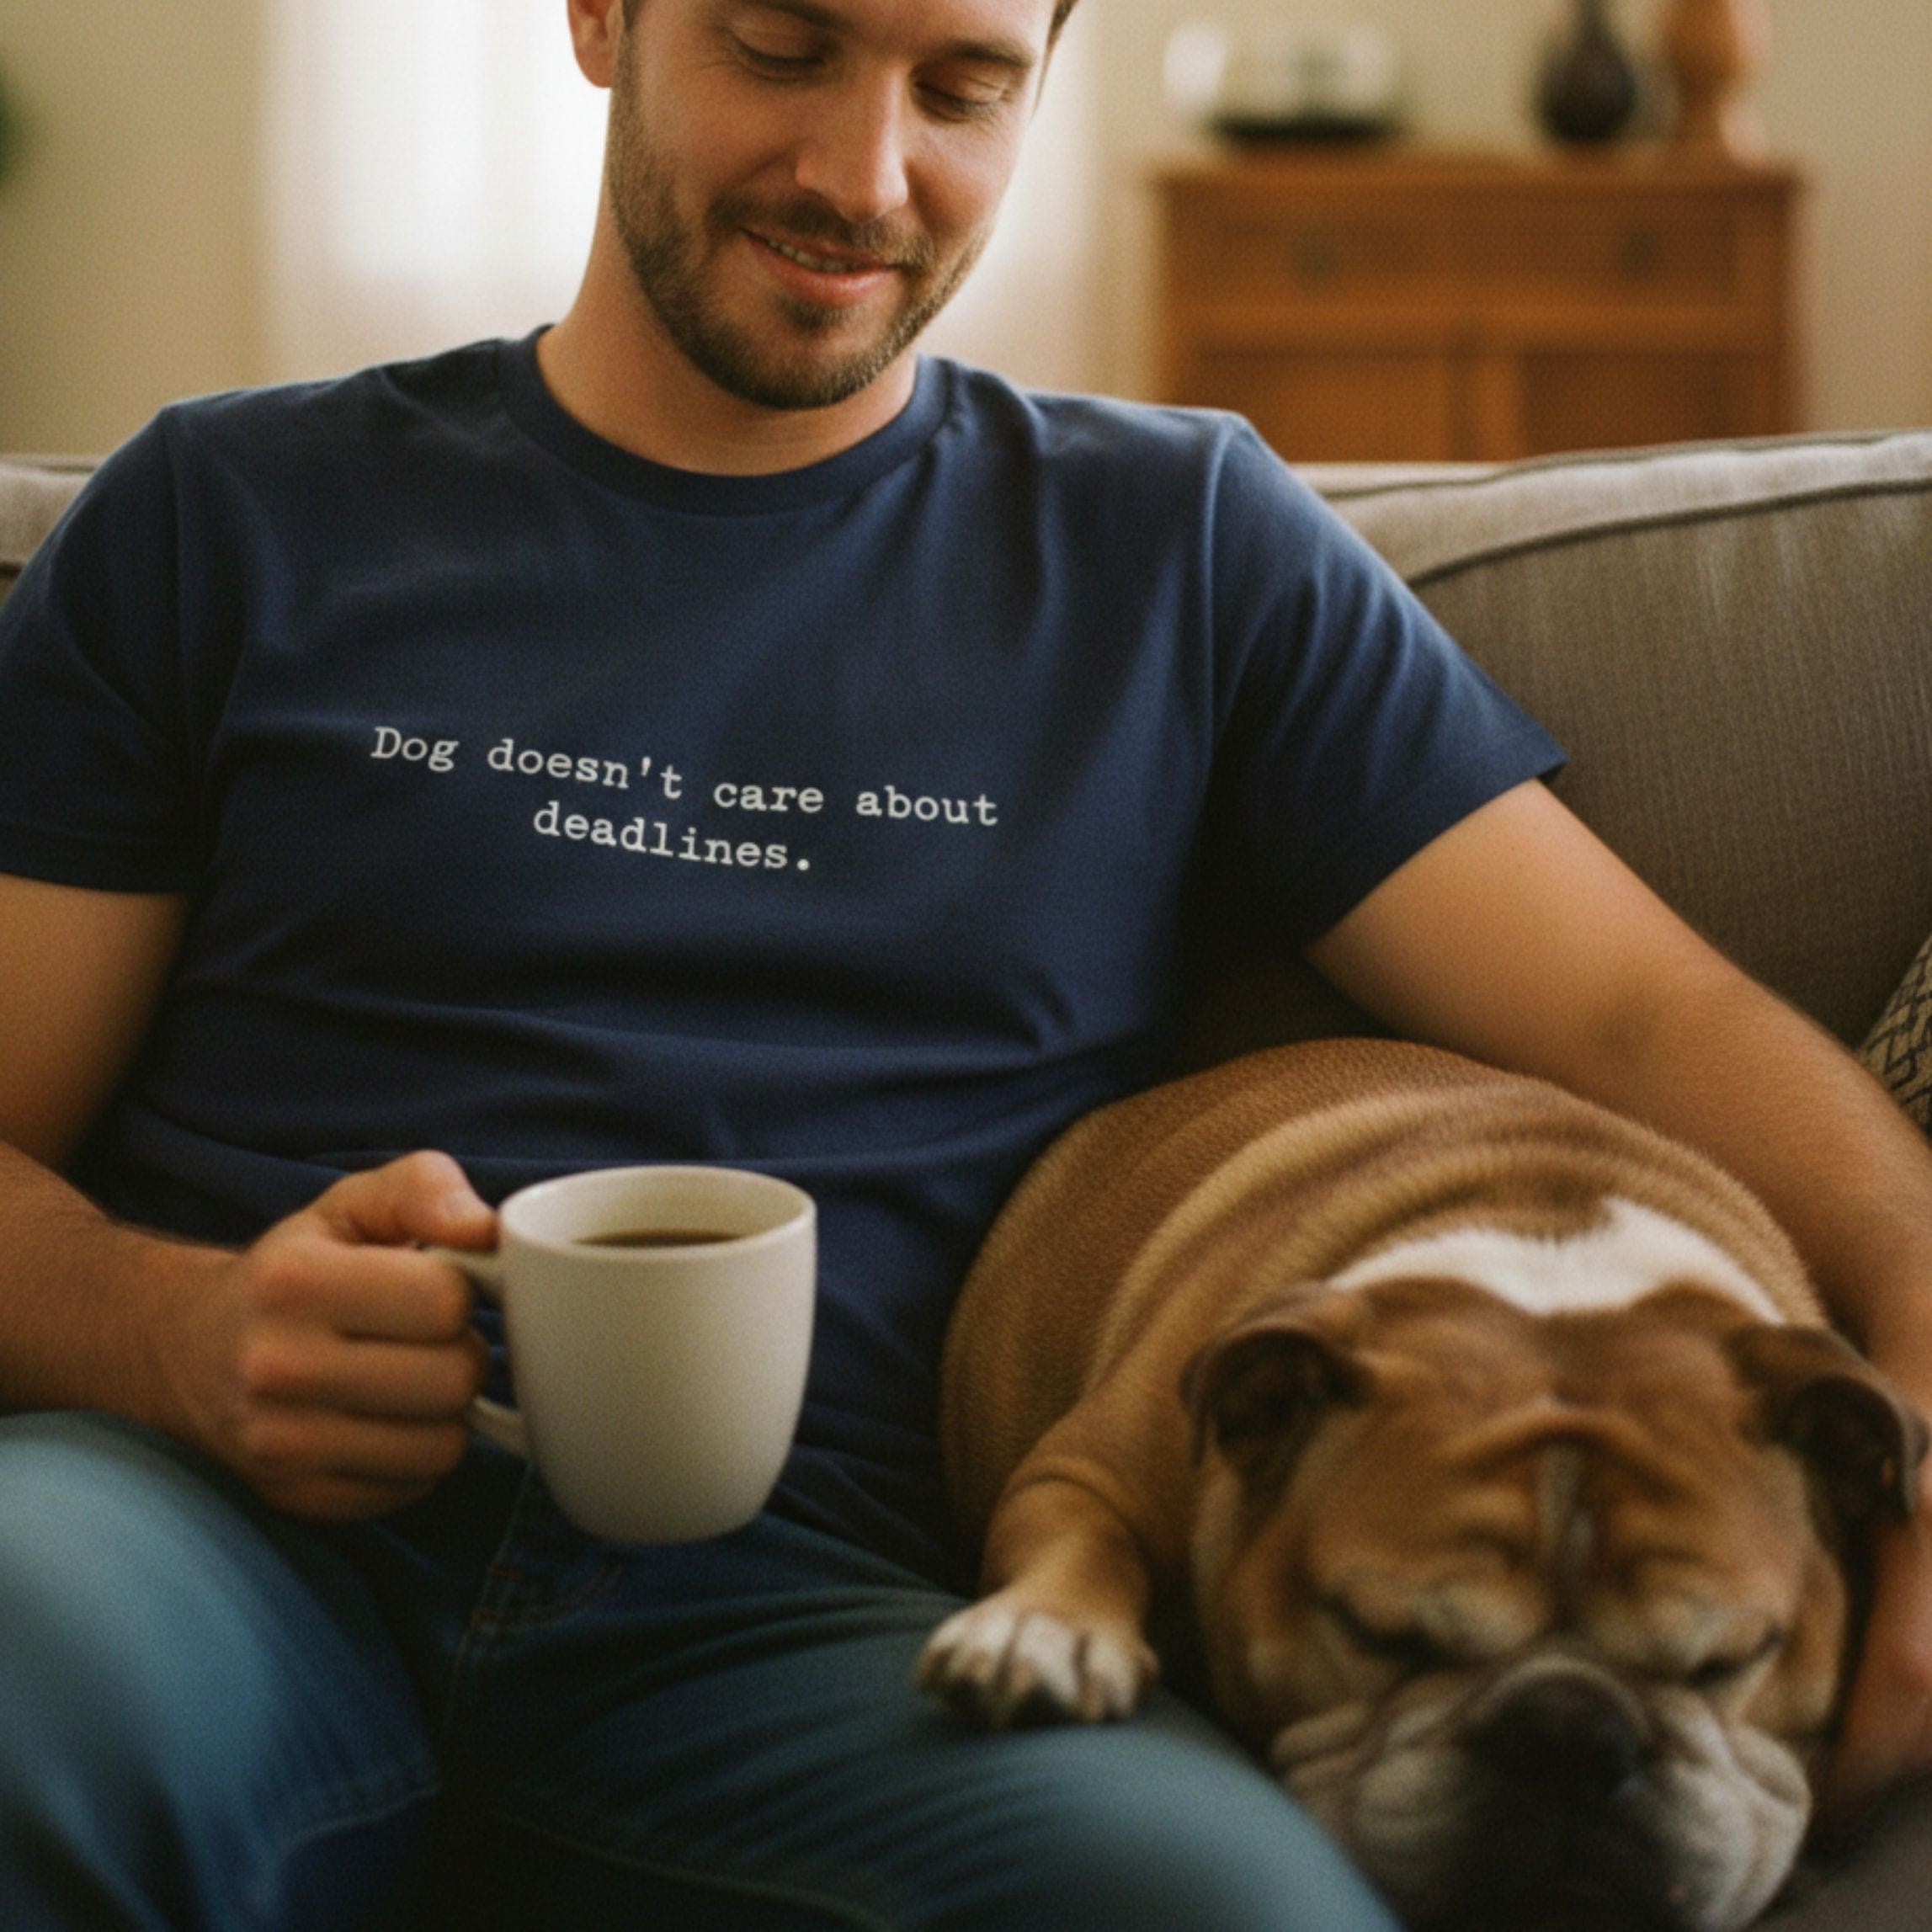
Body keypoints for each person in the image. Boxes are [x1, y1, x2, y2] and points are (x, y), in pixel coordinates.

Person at [2, 0, 1930, 1924]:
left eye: (963, 86)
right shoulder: (225, 514)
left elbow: (1640, 1012)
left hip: (821, 1630)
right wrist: (174, 1331)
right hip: (202, 1540)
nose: (866, 176)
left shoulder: (1183, 552)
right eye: (782, 47)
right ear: (599, 18)